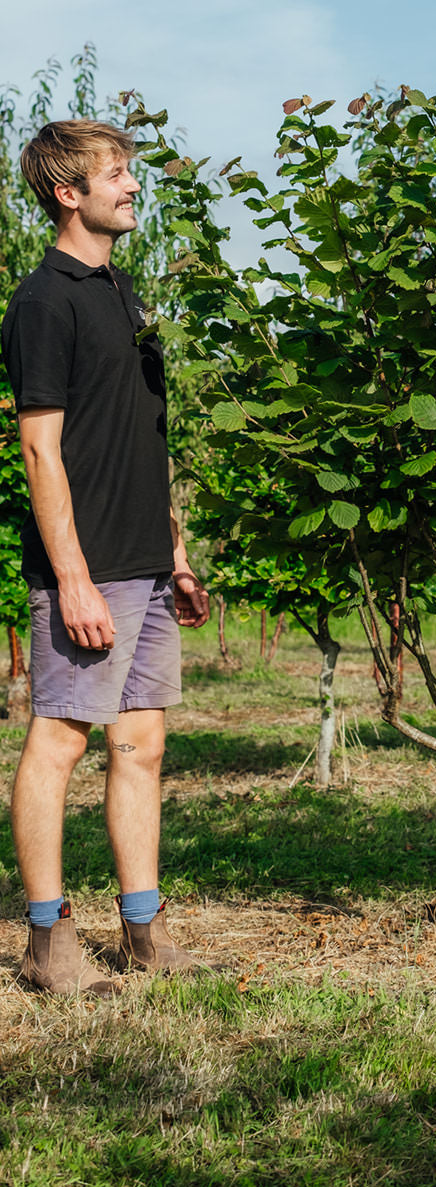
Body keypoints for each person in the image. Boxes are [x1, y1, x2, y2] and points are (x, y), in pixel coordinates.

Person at [1, 118, 210, 996]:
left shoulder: (120, 292)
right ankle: (48, 944)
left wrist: (176, 549)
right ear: (67, 191)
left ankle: (142, 931)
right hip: (86, 568)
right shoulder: (43, 301)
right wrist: (75, 575)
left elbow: (137, 436)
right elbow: (41, 450)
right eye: (117, 173)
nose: (132, 184)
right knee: (59, 742)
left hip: (146, 561)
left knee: (143, 745)